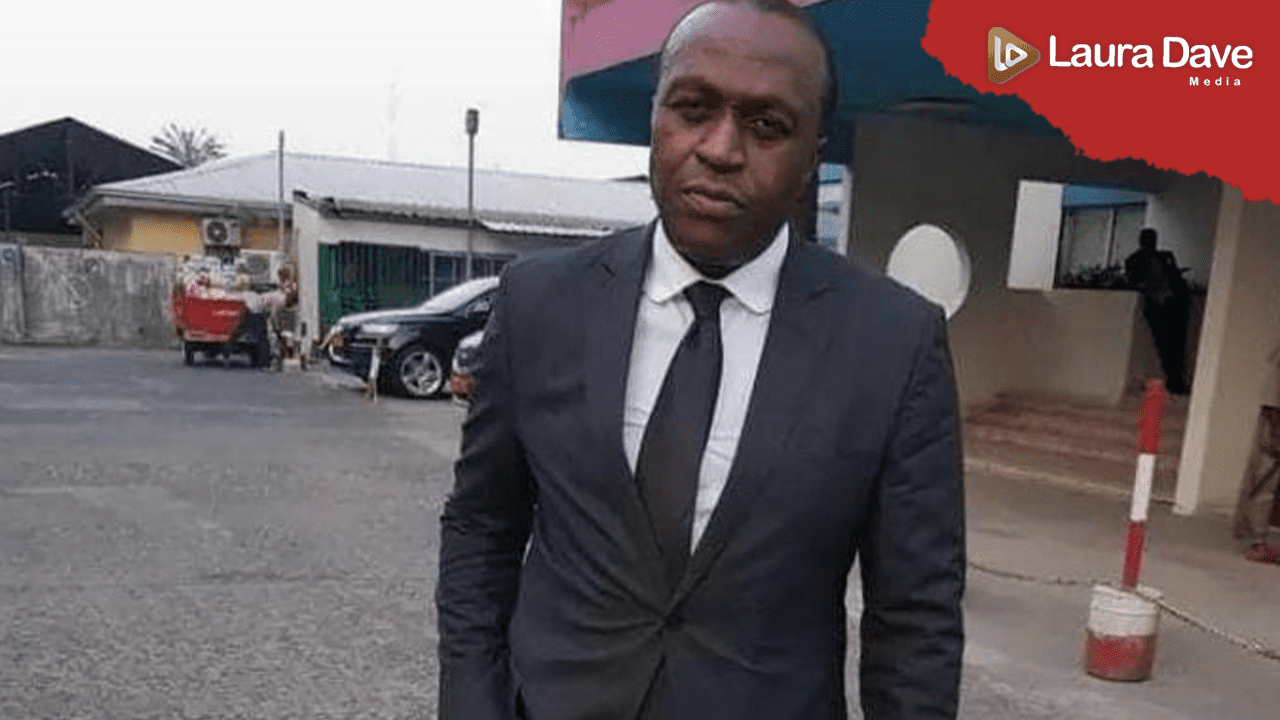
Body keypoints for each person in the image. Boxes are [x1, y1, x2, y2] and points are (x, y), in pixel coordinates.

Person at [436, 2, 966, 719]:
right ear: (655, 118)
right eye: (692, 109)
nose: (720, 149)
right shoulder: (540, 304)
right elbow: (482, 529)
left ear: (812, 158)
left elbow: (916, 617)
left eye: (766, 125)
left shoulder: (893, 343)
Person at [1124, 227, 1191, 394]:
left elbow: (1173, 276)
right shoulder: (1135, 260)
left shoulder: (1163, 256)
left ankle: (1176, 381)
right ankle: (1174, 381)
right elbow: (1132, 281)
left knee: (1174, 346)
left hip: (1172, 304)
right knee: (1167, 346)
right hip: (1158, 306)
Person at [1234, 343, 1280, 564]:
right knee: (1265, 479)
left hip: (1273, 415)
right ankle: (1257, 539)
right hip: (1275, 417)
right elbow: (1272, 398)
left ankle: (1257, 536)